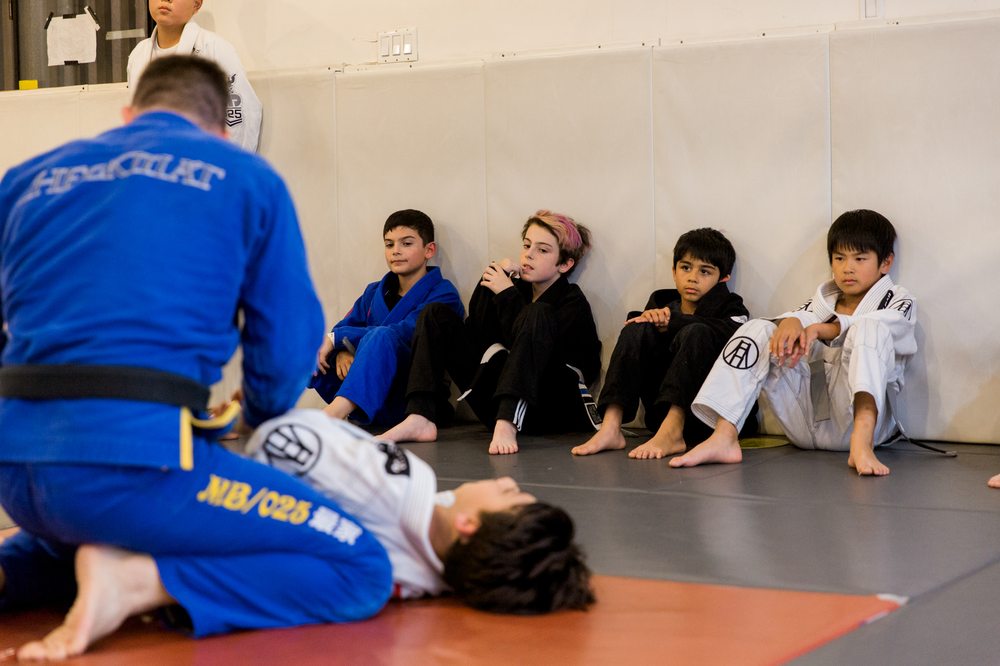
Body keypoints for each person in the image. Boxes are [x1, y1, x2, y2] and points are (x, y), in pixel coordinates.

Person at [0, 56, 392, 660]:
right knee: (360, 566)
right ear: (220, 131)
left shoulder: (28, 177)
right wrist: (262, 416)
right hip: (133, 462)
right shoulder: (243, 176)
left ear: (127, 116)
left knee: (93, 526)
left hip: (15, 467)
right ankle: (138, 584)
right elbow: (287, 338)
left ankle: (18, 568)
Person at [249, 409, 595, 612]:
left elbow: (273, 438)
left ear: (469, 525)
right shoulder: (432, 579)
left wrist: (256, 412)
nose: (507, 481)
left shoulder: (395, 486)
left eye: (510, 495)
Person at [671, 209, 916, 476]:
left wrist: (825, 329)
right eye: (839, 258)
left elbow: (888, 324)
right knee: (760, 328)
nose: (848, 268)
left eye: (860, 258)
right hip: (806, 427)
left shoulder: (899, 301)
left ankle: (862, 444)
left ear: (885, 262)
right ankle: (725, 435)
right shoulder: (821, 303)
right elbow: (797, 319)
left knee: (870, 329)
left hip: (865, 430)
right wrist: (789, 321)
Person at [381, 210, 601, 455]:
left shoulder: (572, 302)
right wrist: (493, 278)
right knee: (434, 314)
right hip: (494, 404)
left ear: (565, 264)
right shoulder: (517, 288)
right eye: (527, 245)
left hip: (550, 408)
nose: (529, 254)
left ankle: (508, 421)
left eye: (542, 250)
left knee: (537, 312)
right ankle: (420, 415)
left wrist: (507, 294)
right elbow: (477, 332)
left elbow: (542, 354)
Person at [571, 228, 756, 459]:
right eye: (685, 268)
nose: (693, 278)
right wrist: (648, 319)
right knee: (637, 328)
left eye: (705, 271)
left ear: (723, 278)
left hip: (711, 420)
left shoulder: (732, 308)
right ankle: (611, 427)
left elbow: (737, 334)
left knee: (697, 332)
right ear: (674, 271)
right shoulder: (661, 302)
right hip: (659, 416)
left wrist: (673, 321)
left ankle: (673, 431)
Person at [309, 210, 464, 426]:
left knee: (382, 335)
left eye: (406, 243)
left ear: (429, 250)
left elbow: (404, 331)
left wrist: (338, 338)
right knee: (311, 345)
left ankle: (333, 415)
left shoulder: (443, 294)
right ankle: (269, 409)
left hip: (410, 398)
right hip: (374, 398)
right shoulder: (374, 292)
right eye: (389, 244)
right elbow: (342, 328)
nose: (396, 251)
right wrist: (341, 350)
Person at [128, 0, 262, 153]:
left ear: (197, 4)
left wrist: (227, 162)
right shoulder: (138, 55)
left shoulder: (215, 49)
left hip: (205, 159)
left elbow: (243, 117)